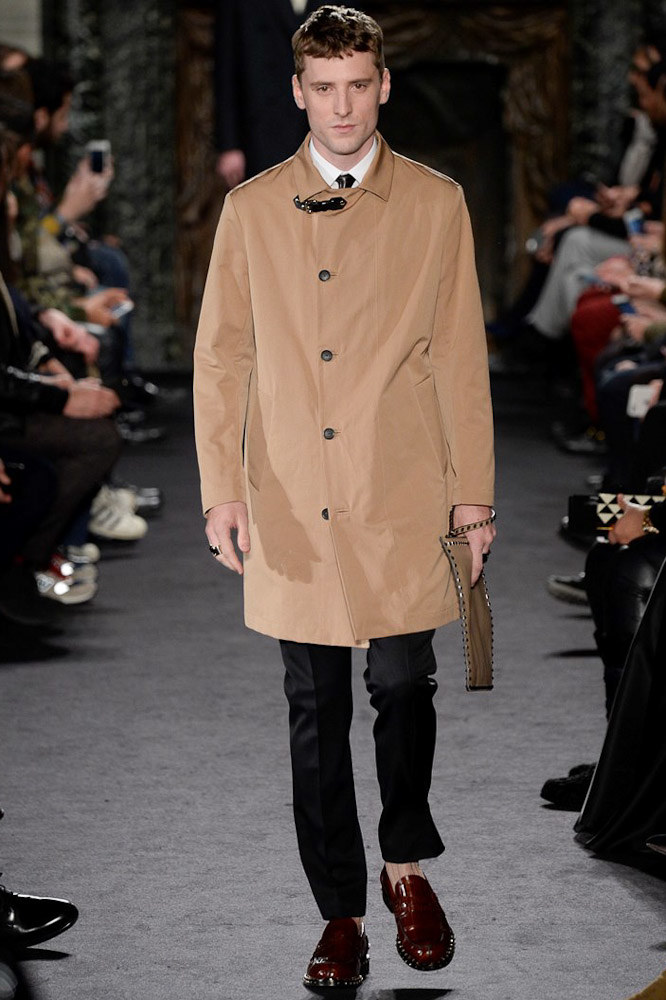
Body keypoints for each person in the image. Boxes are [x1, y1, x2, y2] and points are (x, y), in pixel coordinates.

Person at [194, 5, 495, 988]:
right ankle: (341, 913)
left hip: (401, 486)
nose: (342, 106)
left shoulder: (436, 204)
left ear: (384, 85)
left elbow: (460, 357)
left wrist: (474, 498)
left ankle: (406, 864)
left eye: (358, 85)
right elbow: (222, 360)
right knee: (315, 710)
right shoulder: (251, 211)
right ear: (297, 92)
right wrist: (221, 489)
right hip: (290, 491)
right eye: (323, 88)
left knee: (404, 683)